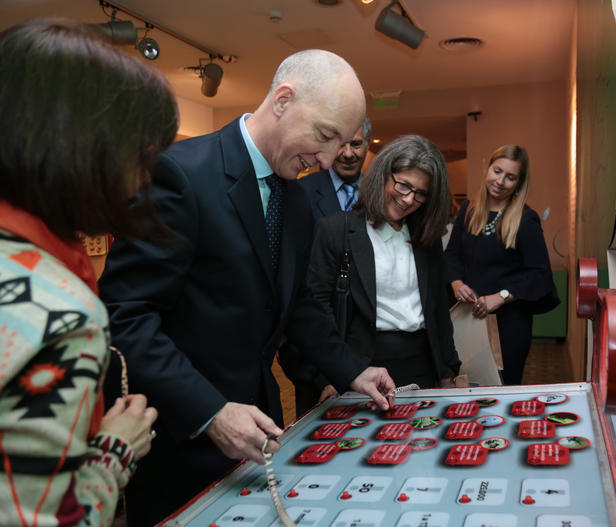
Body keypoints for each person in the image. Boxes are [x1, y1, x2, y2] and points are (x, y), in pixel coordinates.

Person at [97, 49, 395, 526]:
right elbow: (123, 317)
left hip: (260, 432)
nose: (325, 160)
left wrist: (351, 368)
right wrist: (211, 412)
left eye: (339, 146)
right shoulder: (178, 173)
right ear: (282, 100)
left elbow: (293, 303)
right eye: (323, 136)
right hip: (182, 441)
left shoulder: (294, 199)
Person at [0, 18, 170, 526]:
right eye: (140, 158)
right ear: (85, 149)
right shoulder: (64, 314)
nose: (142, 182)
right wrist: (116, 452)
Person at [307, 135, 462, 389]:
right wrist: (329, 377)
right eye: (403, 185)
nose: (409, 199)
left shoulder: (426, 238)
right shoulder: (336, 231)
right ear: (383, 175)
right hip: (360, 369)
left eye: (420, 193)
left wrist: (447, 371)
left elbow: (438, 310)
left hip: (422, 367)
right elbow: (319, 310)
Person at [277, 116, 372, 416]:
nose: (347, 153)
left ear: (367, 145)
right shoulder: (296, 192)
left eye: (356, 144)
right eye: (341, 144)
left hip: (366, 345)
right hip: (311, 345)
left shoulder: (382, 195)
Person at [444, 145, 559, 385]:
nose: (500, 181)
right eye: (497, 171)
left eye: (510, 177)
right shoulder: (468, 210)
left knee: (501, 389)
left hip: (508, 326)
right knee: (464, 386)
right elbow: (452, 255)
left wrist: (501, 296)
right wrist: (456, 283)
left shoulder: (526, 220)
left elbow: (540, 274)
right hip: (468, 320)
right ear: (488, 168)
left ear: (519, 183)